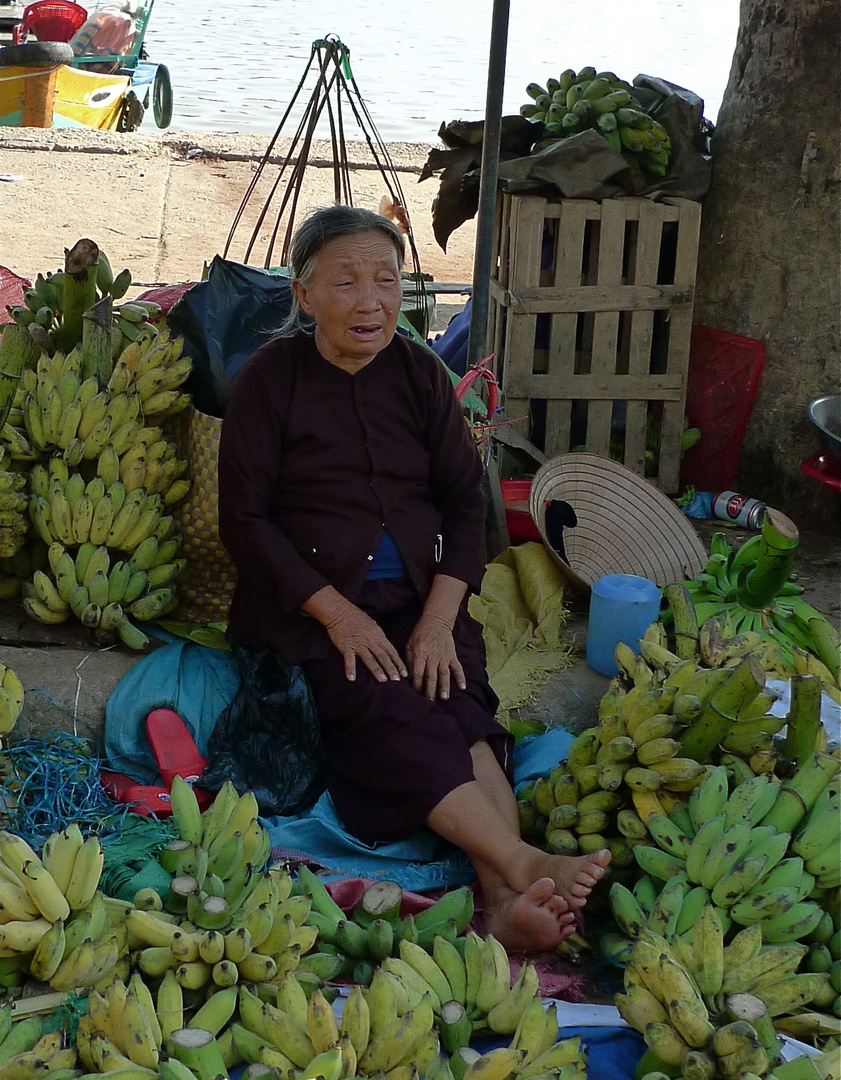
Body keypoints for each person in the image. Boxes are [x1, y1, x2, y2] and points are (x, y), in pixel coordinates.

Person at [217, 204, 610, 952]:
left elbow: (466, 504)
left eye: (386, 280)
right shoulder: (270, 381)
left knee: (461, 705)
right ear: (303, 295)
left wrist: (437, 618)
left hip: (417, 599)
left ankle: (499, 899)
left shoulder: (420, 373)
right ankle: (519, 863)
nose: (370, 302)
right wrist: (337, 615)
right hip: (311, 609)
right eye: (345, 282)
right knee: (388, 705)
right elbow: (246, 524)